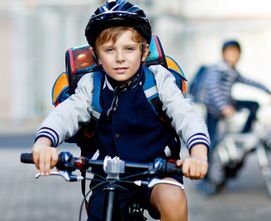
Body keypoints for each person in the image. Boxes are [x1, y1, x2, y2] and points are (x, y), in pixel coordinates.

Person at [31, 1, 210, 220]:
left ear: (144, 52)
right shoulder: (92, 84)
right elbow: (65, 114)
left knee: (173, 200)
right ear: (97, 56)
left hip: (156, 173)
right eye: (109, 50)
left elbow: (186, 115)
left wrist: (198, 154)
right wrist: (43, 144)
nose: (120, 58)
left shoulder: (158, 80)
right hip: (107, 177)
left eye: (129, 49)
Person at [197, 39, 271, 195]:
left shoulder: (232, 71)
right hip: (215, 109)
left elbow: (250, 81)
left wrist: (270, 92)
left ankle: (245, 132)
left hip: (229, 104)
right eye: (230, 52)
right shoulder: (216, 69)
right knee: (211, 142)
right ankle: (205, 179)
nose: (233, 55)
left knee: (253, 105)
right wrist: (224, 107)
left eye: (236, 52)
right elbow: (213, 90)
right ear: (223, 54)